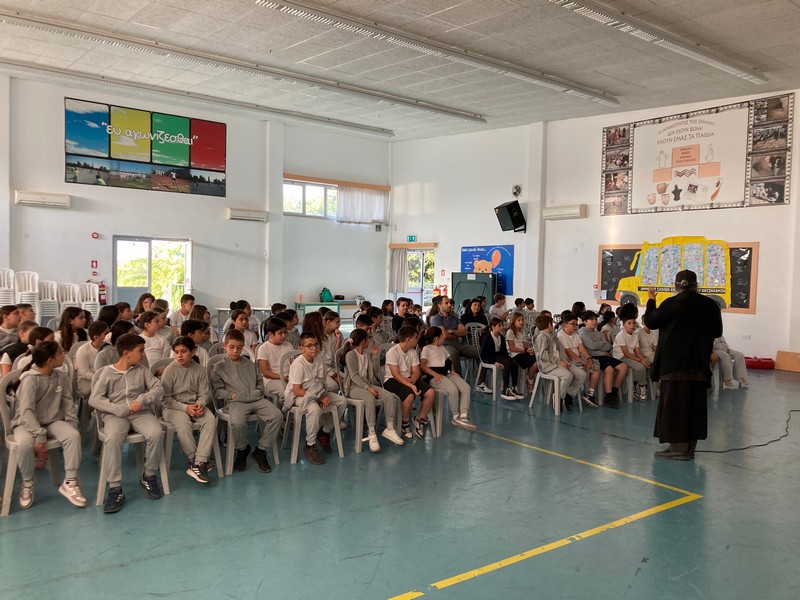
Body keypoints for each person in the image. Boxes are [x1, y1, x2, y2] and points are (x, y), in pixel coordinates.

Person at [644, 270, 723, 460]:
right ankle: (690, 448)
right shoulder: (710, 304)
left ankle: (678, 449)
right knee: (694, 407)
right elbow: (717, 331)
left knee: (675, 407)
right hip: (699, 364)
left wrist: (651, 300)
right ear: (696, 285)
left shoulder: (672, 303)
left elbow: (651, 321)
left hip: (674, 365)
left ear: (676, 285)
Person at [89, 333, 166, 513]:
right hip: (115, 416)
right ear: (126, 353)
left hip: (140, 413)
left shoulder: (142, 371)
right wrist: (117, 409)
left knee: (156, 433)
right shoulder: (107, 373)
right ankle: (115, 487)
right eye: (140, 350)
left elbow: (158, 388)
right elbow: (95, 399)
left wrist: (142, 400)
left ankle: (149, 475)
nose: (144, 354)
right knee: (113, 439)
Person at [11, 341, 86, 509]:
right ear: (50, 360)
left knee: (73, 436)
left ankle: (70, 482)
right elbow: (26, 411)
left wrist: (72, 424)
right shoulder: (30, 380)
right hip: (25, 423)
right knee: (24, 444)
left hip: (51, 420)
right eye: (60, 353)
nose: (64, 355)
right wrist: (39, 434)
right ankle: (28, 482)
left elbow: (68, 404)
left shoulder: (60, 376)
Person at [210, 329, 282, 473]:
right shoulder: (219, 367)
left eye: (239, 347)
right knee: (238, 423)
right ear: (225, 346)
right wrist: (231, 395)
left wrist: (259, 391)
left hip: (256, 399)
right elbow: (217, 391)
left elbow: (260, 382)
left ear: (243, 347)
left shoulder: (250, 364)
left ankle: (261, 450)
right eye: (231, 347)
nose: (235, 351)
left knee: (277, 415)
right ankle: (242, 449)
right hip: (236, 402)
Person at [283, 332, 347, 465]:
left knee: (342, 401)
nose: (314, 348)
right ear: (302, 348)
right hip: (298, 396)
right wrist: (319, 399)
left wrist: (321, 395)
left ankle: (324, 431)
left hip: (317, 392)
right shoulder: (298, 364)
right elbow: (297, 390)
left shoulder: (319, 360)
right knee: (315, 409)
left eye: (316, 344)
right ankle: (310, 445)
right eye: (309, 346)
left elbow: (322, 382)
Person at [161, 336, 217, 483]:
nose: (179, 355)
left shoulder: (199, 369)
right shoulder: (170, 370)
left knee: (210, 419)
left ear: (193, 352)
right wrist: (185, 408)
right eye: (176, 352)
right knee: (183, 422)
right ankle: (194, 459)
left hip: (194, 405)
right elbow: (165, 399)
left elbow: (205, 393)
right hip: (173, 408)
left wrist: (200, 404)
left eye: (183, 351)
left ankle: (199, 462)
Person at [341, 329, 403, 450]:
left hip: (367, 384)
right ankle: (372, 432)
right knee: (370, 398)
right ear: (363, 341)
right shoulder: (350, 355)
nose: (369, 342)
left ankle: (390, 428)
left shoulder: (366, 354)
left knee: (389, 396)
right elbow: (354, 376)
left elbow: (373, 372)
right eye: (368, 339)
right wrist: (368, 388)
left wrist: (374, 356)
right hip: (354, 387)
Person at [384, 325, 435, 440]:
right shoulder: (392, 352)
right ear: (408, 339)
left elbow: (416, 371)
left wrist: (413, 379)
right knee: (409, 396)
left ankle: (419, 419)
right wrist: (411, 386)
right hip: (392, 380)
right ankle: (405, 423)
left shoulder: (412, 352)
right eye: (416, 337)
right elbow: (395, 374)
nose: (417, 339)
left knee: (430, 392)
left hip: (409, 379)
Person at [420, 326, 476, 431]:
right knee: (453, 389)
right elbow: (423, 366)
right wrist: (435, 375)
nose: (444, 338)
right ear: (436, 338)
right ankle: (455, 416)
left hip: (447, 374)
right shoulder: (426, 349)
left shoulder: (442, 347)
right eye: (442, 336)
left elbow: (449, 361)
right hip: (435, 376)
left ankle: (463, 415)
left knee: (466, 387)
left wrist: (453, 371)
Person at [533, 313, 583, 411]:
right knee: (568, 376)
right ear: (549, 325)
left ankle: (569, 394)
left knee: (582, 375)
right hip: (548, 366)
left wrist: (564, 360)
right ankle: (558, 397)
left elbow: (561, 349)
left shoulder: (553, 336)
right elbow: (544, 355)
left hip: (560, 362)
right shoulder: (542, 337)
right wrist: (559, 362)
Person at [579, 311, 628, 408]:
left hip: (603, 355)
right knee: (609, 369)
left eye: (595, 319)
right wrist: (601, 345)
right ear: (585, 322)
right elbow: (592, 347)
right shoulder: (583, 333)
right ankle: (608, 396)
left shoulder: (598, 333)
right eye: (591, 319)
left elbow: (608, 346)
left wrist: (600, 346)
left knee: (623, 366)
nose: (595, 321)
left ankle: (614, 391)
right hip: (594, 357)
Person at [430, 296, 479, 376]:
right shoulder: (436, 319)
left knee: (480, 351)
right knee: (454, 353)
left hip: (458, 344)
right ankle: (459, 379)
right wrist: (456, 335)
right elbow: (445, 335)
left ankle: (480, 380)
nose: (450, 305)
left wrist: (452, 331)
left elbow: (464, 332)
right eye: (446, 303)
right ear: (439, 306)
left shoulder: (455, 317)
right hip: (444, 345)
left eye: (450, 303)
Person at [557, 313, 599, 407]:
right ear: (565, 325)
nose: (575, 326)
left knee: (594, 368)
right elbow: (569, 352)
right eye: (573, 324)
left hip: (579, 358)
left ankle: (587, 394)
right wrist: (582, 362)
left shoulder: (575, 334)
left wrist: (588, 358)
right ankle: (571, 394)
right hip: (569, 360)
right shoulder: (561, 335)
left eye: (576, 324)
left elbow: (581, 348)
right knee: (583, 372)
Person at [480, 317, 524, 401]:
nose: (501, 327)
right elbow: (484, 354)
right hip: (490, 357)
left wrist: (508, 358)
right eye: (499, 325)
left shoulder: (501, 337)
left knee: (514, 362)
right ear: (493, 327)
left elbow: (504, 352)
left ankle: (514, 387)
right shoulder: (488, 337)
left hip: (499, 355)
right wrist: (493, 362)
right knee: (507, 364)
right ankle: (505, 389)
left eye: (502, 325)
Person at [257, 317, 296, 399]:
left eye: (285, 332)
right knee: (285, 391)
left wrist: (292, 376)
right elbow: (265, 372)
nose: (284, 336)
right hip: (271, 380)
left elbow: (293, 365)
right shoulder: (263, 348)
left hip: (289, 377)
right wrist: (283, 377)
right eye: (280, 333)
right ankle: (287, 406)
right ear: (270, 334)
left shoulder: (288, 346)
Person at [612, 315, 650, 401]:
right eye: (629, 323)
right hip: (621, 357)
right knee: (640, 367)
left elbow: (637, 350)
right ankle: (642, 386)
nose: (632, 325)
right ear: (623, 325)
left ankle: (635, 383)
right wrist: (640, 360)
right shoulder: (621, 335)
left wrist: (643, 359)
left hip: (631, 355)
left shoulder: (635, 335)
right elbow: (626, 353)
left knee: (647, 363)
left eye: (633, 323)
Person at [75, 321, 109, 397]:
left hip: (106, 378)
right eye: (106, 333)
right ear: (96, 338)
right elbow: (85, 373)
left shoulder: (109, 348)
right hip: (86, 380)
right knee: (101, 391)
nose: (109, 335)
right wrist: (102, 379)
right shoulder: (83, 350)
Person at [506, 312, 537, 392]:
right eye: (519, 320)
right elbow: (512, 348)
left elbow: (525, 345)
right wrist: (524, 350)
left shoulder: (522, 332)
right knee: (536, 363)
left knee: (539, 360)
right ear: (514, 321)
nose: (521, 322)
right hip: (515, 355)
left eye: (522, 320)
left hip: (523, 353)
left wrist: (529, 351)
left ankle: (529, 376)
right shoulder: (510, 332)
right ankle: (530, 379)